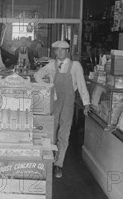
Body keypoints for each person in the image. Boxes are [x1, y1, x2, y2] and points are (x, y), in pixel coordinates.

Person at [34, 40, 90, 179]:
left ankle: (59, 164)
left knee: (64, 133)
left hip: (68, 103)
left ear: (68, 51)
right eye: (57, 50)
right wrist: (48, 87)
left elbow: (82, 84)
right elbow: (37, 76)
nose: (59, 53)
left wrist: (86, 103)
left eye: (62, 50)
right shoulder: (51, 64)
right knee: (51, 131)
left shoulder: (75, 66)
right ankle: (49, 160)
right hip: (54, 102)